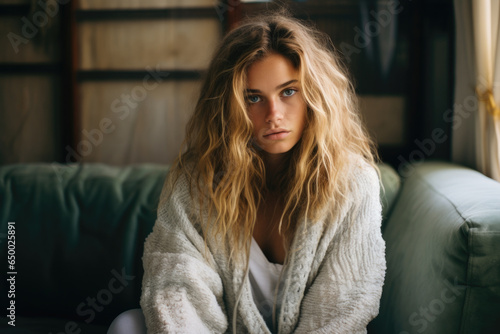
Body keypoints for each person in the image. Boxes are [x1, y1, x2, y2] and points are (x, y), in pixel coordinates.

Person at [108, 11, 385, 334]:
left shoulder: (351, 182)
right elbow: (175, 281)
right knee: (125, 326)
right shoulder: (198, 180)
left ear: (314, 94)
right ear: (229, 106)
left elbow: (344, 306)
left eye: (288, 92)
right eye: (253, 98)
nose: (273, 115)